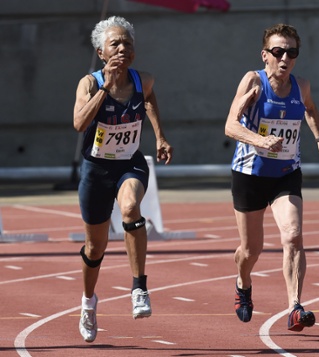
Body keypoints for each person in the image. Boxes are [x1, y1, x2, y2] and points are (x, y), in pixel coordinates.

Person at [224, 23, 319, 332]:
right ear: (265, 55)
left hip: (286, 174)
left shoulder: (302, 86)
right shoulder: (252, 81)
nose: (285, 58)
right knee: (250, 251)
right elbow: (230, 126)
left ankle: (294, 307)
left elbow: (310, 111)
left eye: (292, 52)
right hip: (250, 175)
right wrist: (260, 140)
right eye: (278, 51)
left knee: (293, 234)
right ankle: (243, 283)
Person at [73, 16, 173, 343]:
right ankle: (88, 302)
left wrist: (159, 136)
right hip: (96, 170)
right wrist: (105, 88)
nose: (122, 48)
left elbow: (150, 98)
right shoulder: (89, 83)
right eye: (115, 43)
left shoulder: (144, 80)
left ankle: (139, 287)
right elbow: (78, 123)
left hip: (129, 163)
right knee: (95, 247)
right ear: (101, 52)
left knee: (131, 209)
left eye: (127, 43)